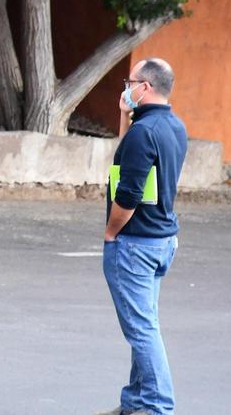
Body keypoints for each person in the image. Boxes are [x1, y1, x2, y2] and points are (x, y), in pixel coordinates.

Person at [98, 58, 186, 415]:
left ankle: (156, 405)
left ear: (145, 87)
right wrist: (124, 116)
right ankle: (136, 400)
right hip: (162, 240)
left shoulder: (143, 133)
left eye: (129, 82)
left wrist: (110, 231)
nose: (126, 87)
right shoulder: (171, 127)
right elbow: (126, 163)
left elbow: (128, 194)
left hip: (135, 244)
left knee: (142, 330)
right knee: (143, 324)